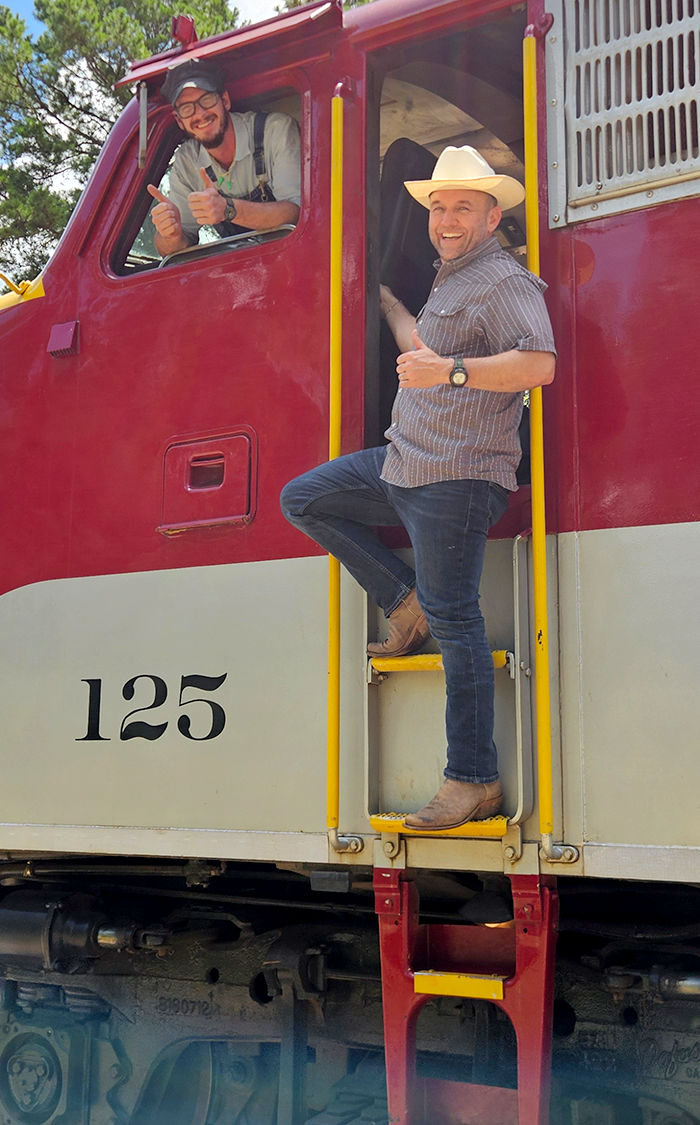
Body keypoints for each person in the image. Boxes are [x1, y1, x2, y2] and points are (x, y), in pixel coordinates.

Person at [280, 146, 555, 831]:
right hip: (406, 464)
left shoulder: (501, 279)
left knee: (457, 620)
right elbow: (422, 351)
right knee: (304, 498)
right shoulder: (450, 277)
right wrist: (387, 302)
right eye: (438, 206)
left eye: (463, 206)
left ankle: (473, 779)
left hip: (457, 476)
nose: (448, 218)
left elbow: (539, 363)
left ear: (493, 216)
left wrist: (453, 374)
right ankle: (403, 602)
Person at [146, 60, 301, 257]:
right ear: (179, 121)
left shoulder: (275, 131)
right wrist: (171, 234)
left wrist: (228, 209)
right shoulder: (186, 161)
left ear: (225, 101)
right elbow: (171, 251)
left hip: (292, 259)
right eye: (186, 108)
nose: (200, 114)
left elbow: (296, 214)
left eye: (207, 100)